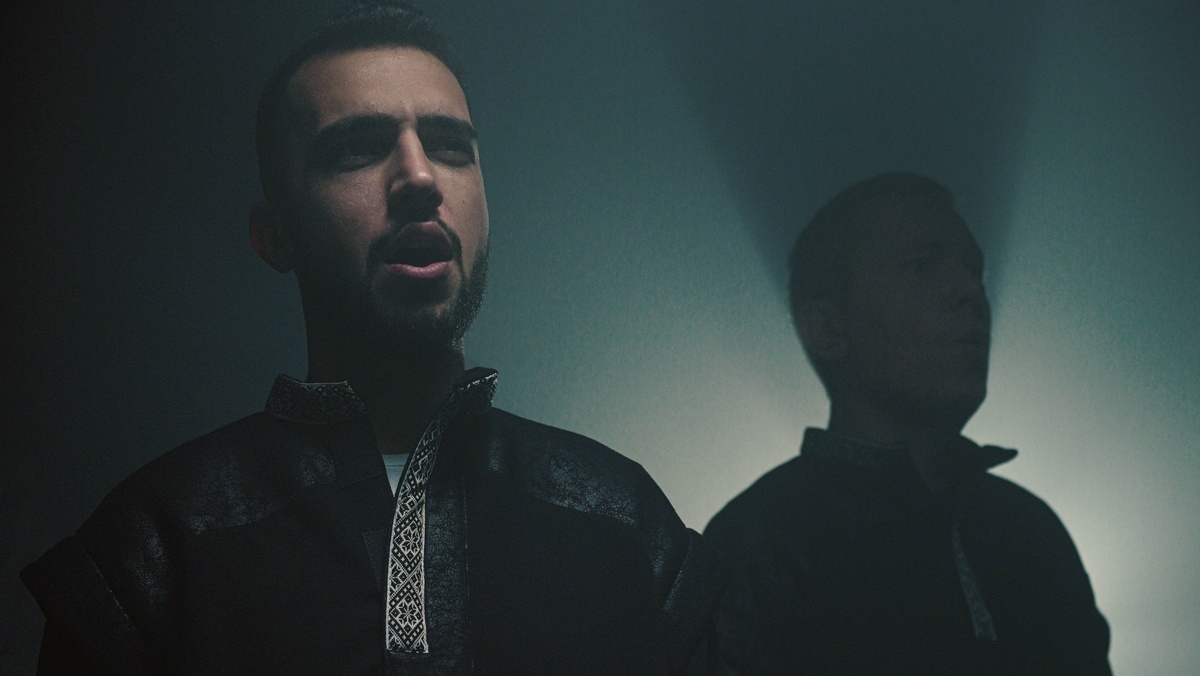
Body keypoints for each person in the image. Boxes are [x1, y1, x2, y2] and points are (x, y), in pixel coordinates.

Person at [21, 2, 725, 673]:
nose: (419, 177)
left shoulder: (628, 525)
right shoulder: (152, 550)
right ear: (274, 236)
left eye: (449, 147)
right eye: (356, 149)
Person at [705, 172, 1111, 674]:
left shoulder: (1032, 531)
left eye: (974, 270)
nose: (971, 290)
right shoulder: (758, 546)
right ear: (828, 328)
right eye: (921, 265)